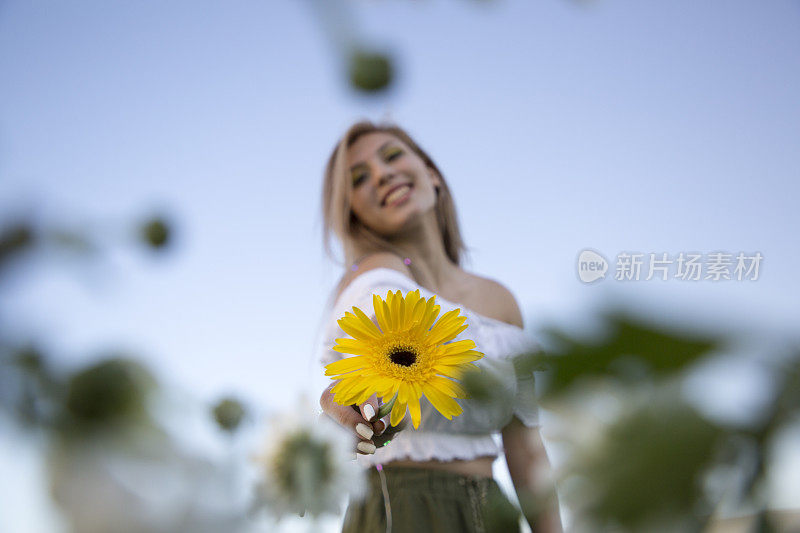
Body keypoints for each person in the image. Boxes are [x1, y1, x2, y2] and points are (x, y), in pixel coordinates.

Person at [316, 120, 562, 533]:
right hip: (404, 506)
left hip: (496, 514)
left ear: (431, 173)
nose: (381, 173)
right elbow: (359, 375)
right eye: (359, 179)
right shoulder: (376, 277)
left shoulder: (501, 300)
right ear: (355, 213)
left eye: (392, 155)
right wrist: (352, 411)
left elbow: (525, 448)